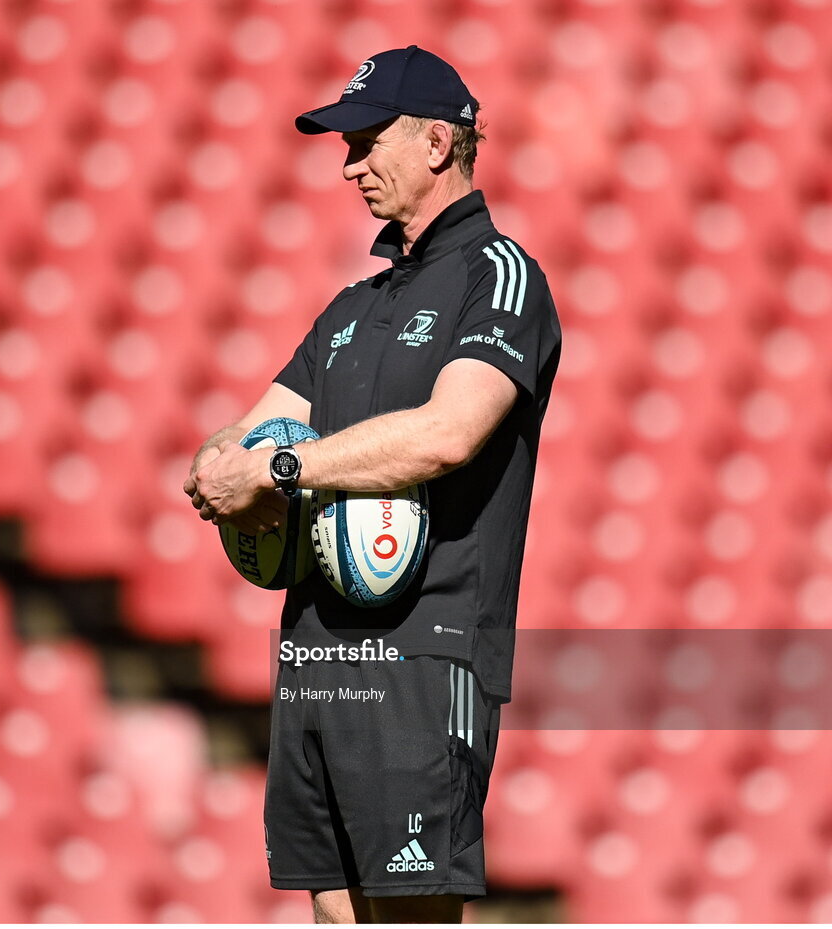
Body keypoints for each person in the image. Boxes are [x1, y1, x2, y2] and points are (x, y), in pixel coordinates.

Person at [185, 45, 561, 924]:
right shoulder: (350, 308)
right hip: (317, 655)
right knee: (333, 915)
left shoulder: (501, 280)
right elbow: (234, 442)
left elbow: (449, 433)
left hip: (422, 658)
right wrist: (217, 468)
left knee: (412, 916)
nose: (349, 166)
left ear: (438, 143)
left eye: (365, 142)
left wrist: (278, 466)